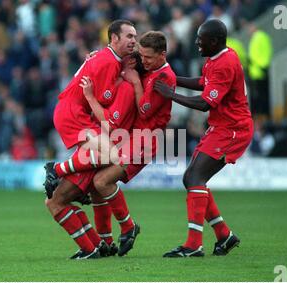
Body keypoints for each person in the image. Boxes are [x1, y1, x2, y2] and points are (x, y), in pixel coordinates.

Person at [154, 19, 253, 257]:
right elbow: (203, 84)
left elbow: (205, 103)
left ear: (215, 41)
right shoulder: (217, 58)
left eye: (201, 39)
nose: (197, 42)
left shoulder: (224, 63)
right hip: (221, 127)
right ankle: (224, 235)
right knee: (191, 178)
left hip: (233, 129)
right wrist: (173, 79)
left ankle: (194, 244)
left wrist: (171, 94)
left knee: (195, 177)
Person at [44, 20, 137, 259]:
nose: (133, 41)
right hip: (73, 113)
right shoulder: (108, 63)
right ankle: (58, 168)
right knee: (111, 156)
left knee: (99, 178)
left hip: (72, 111)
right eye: (128, 36)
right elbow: (103, 102)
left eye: (135, 36)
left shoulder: (108, 60)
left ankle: (99, 243)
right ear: (113, 39)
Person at [77, 31, 177, 256]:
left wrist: (134, 82)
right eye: (141, 56)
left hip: (145, 140)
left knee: (102, 182)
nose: (143, 61)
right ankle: (105, 242)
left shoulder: (165, 77)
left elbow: (144, 109)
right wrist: (96, 57)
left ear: (162, 55)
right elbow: (121, 60)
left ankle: (128, 226)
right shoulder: (149, 67)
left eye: (148, 57)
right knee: (96, 186)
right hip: (131, 137)